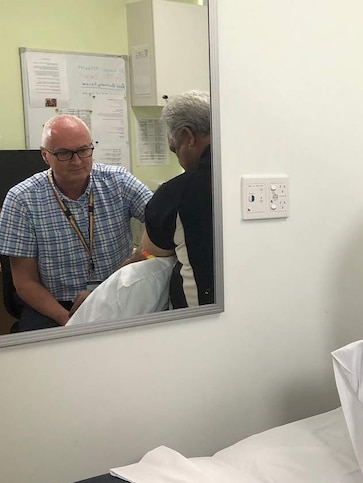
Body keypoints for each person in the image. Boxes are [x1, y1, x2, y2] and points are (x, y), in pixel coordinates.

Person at [0, 114, 152, 331]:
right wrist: (68, 321)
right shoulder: (22, 199)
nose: (77, 161)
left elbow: (165, 225)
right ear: (45, 155)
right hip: (56, 304)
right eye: (64, 153)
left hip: (117, 293)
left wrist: (139, 257)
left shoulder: (118, 182)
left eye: (83, 150)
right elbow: (25, 282)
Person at [136, 90, 214, 308]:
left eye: (175, 149)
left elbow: (151, 253)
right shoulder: (248, 172)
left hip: (201, 318)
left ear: (188, 136)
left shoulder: (177, 193)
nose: (179, 160)